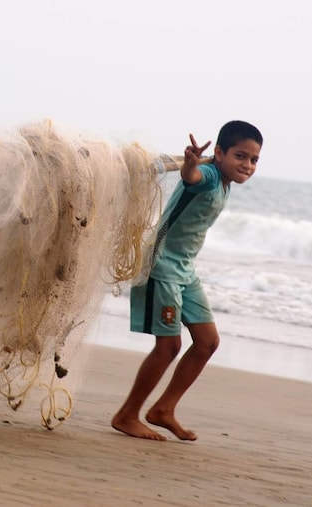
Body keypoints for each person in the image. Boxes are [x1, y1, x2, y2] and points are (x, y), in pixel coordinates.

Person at [111, 120, 263, 441]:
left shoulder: (224, 181)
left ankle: (163, 409)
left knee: (207, 342)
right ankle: (127, 415)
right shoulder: (209, 175)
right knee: (169, 346)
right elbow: (191, 178)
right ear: (218, 153)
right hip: (161, 266)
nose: (247, 165)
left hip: (184, 269)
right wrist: (191, 165)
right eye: (240, 156)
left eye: (253, 159)